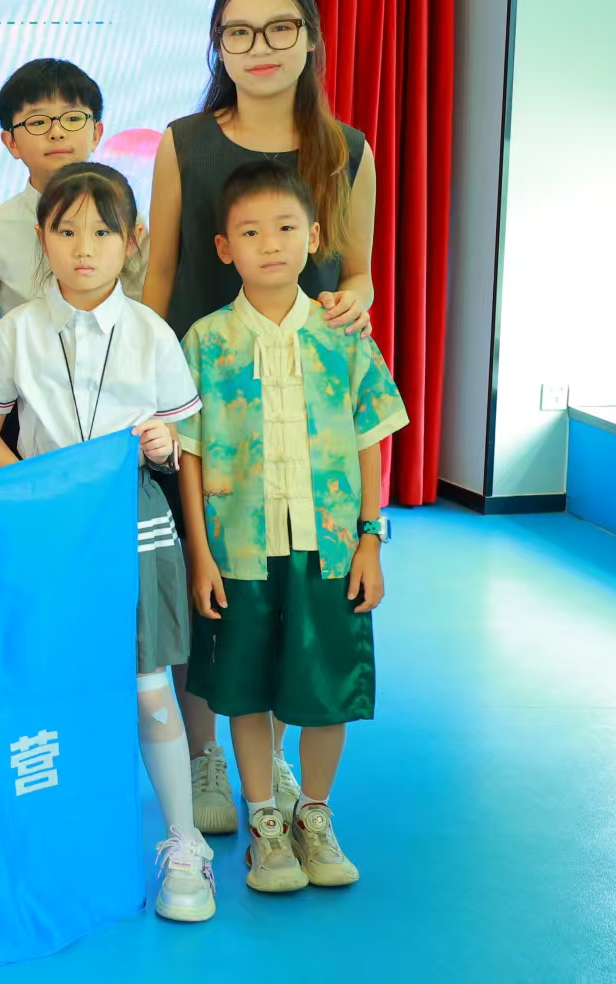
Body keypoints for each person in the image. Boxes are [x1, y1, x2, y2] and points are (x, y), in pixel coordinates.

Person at [141, 0, 378, 836]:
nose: (260, 48)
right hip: (203, 408)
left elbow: (357, 272)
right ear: (218, 46)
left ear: (310, 38)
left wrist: (357, 298)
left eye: (280, 28)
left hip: (301, 416)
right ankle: (207, 753)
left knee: (286, 589)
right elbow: (160, 278)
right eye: (238, 32)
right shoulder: (184, 143)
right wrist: (151, 396)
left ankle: (271, 767)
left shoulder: (346, 151)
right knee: (208, 589)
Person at [0, 163, 216, 922]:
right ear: (41, 238)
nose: (83, 248)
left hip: (131, 522)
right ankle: (56, 844)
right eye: (66, 231)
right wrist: (33, 487)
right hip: (45, 529)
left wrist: (163, 444)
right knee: (49, 683)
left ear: (131, 242)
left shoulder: (151, 333)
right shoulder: (17, 330)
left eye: (102, 232)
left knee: (147, 684)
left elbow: (177, 444)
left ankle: (183, 845)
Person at [177, 161, 406, 896]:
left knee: (325, 688)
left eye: (284, 228)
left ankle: (314, 813)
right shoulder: (206, 341)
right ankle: (265, 825)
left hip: (330, 547)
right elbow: (191, 453)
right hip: (238, 549)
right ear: (224, 248)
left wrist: (370, 536)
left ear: (312, 237)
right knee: (244, 689)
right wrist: (201, 555)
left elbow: (371, 439)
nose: (269, 243)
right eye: (249, 232)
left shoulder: (344, 335)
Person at [0, 58, 132, 323]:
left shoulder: (125, 219)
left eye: (73, 118)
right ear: (11, 142)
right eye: (37, 122)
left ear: (96, 134)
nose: (57, 132)